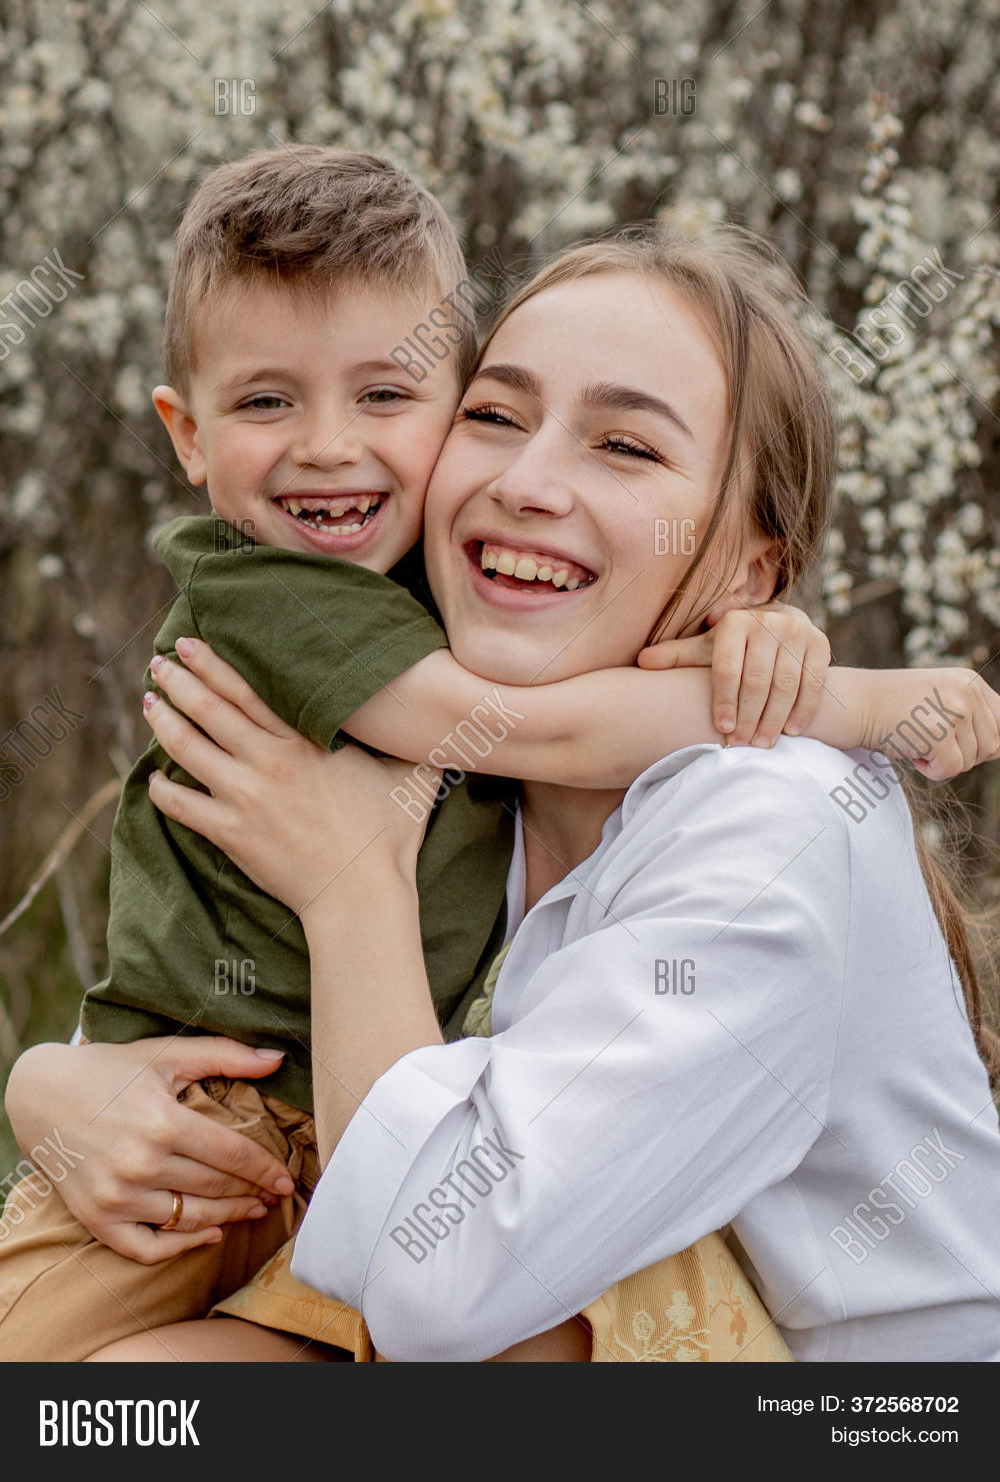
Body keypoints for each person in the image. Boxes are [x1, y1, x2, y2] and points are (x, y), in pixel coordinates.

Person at [14, 225, 1000, 1362]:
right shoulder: (451, 756)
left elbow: (435, 1280)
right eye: (494, 416)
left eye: (624, 446)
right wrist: (54, 1085)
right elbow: (206, 981)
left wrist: (350, 889)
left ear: (749, 568)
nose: (526, 485)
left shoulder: (768, 830)